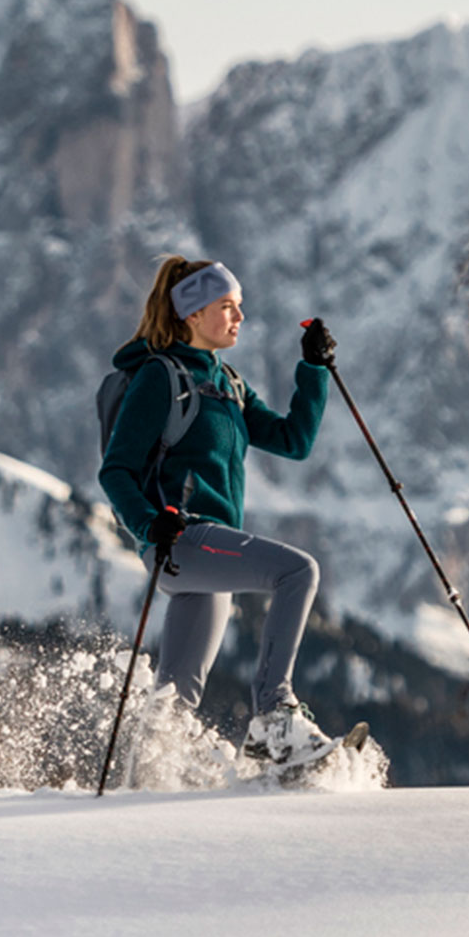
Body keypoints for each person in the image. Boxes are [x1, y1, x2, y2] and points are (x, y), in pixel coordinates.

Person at [98, 256, 341, 767]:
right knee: (298, 571)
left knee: (174, 702)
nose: (239, 317)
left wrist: (313, 369)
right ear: (190, 314)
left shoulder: (228, 383)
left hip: (206, 550)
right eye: (227, 306)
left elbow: (293, 441)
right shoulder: (158, 377)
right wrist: (148, 524)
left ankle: (151, 772)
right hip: (181, 539)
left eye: (240, 306)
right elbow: (115, 471)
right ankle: (275, 717)